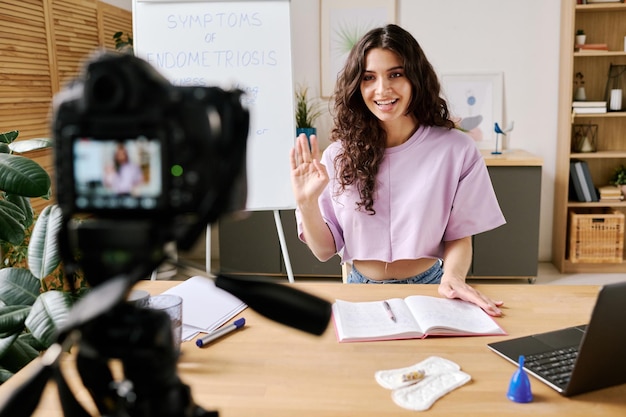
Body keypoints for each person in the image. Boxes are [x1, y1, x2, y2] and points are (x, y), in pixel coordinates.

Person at [289, 24, 506, 316]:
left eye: (396, 74)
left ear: (415, 78)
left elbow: (459, 236)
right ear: (357, 86)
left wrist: (453, 278)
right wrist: (306, 204)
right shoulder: (337, 156)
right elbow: (324, 251)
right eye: (369, 77)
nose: (382, 89)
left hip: (431, 286)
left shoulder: (456, 149)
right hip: (359, 287)